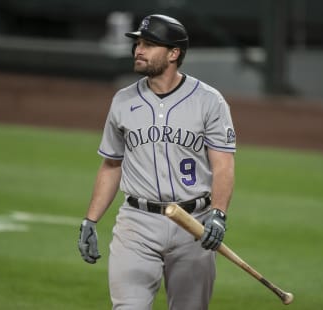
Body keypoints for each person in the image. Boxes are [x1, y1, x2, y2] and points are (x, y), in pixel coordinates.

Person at [78, 14, 236, 310]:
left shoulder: (209, 101)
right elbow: (111, 164)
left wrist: (219, 214)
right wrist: (91, 219)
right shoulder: (123, 101)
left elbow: (223, 164)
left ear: (174, 53)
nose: (139, 50)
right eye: (138, 43)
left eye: (149, 44)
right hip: (136, 224)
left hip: (193, 225)